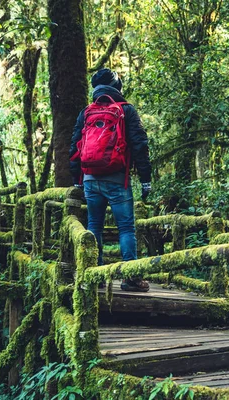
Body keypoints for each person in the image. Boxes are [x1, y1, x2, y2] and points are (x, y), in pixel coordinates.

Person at [69, 68, 152, 292]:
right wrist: (146, 180)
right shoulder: (126, 110)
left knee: (94, 225)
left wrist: (77, 179)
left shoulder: (86, 112)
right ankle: (131, 279)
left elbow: (75, 145)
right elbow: (139, 145)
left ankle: (96, 276)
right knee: (126, 228)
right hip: (117, 179)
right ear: (117, 86)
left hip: (90, 179)